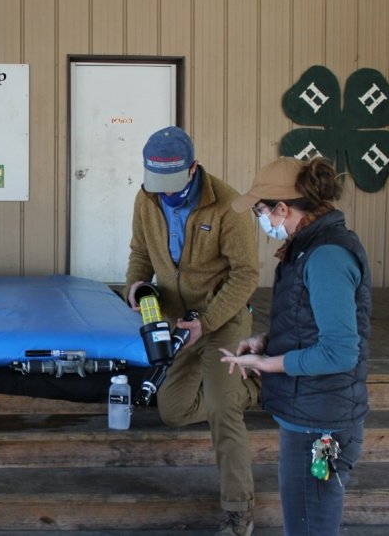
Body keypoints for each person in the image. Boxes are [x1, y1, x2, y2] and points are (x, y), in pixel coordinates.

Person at [220, 156, 371, 535]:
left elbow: (339, 352)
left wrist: (268, 363)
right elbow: (310, 321)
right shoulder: (309, 246)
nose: (261, 220)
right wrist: (267, 341)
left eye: (260, 210)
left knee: (309, 527)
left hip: (321, 424)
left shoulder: (326, 255)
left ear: (282, 209)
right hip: (311, 412)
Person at [124, 126, 260, 536]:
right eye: (156, 182)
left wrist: (208, 322)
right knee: (173, 410)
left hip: (221, 319)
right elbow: (140, 252)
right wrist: (134, 287)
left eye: (172, 182)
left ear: (193, 168)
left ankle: (239, 512)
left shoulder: (229, 206)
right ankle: (251, 387)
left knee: (222, 409)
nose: (164, 192)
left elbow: (246, 275)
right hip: (176, 320)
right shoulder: (146, 198)